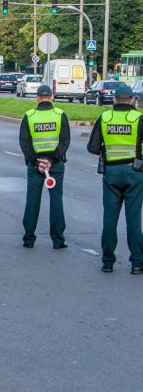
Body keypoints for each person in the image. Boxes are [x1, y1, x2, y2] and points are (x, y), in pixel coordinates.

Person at [87, 85, 143, 274]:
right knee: (133, 219)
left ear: (115, 100)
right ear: (132, 100)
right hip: (134, 173)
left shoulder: (105, 118)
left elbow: (92, 147)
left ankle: (107, 262)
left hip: (111, 172)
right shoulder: (139, 118)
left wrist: (106, 151)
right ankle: (137, 263)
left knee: (110, 218)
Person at [19, 85, 71, 248]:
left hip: (36, 166)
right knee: (56, 200)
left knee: (32, 201)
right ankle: (58, 240)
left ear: (37, 98)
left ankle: (28, 239)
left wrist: (37, 162)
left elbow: (24, 143)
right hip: (55, 165)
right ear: (52, 97)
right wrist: (52, 160)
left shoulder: (29, 116)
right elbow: (65, 141)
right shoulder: (60, 115)